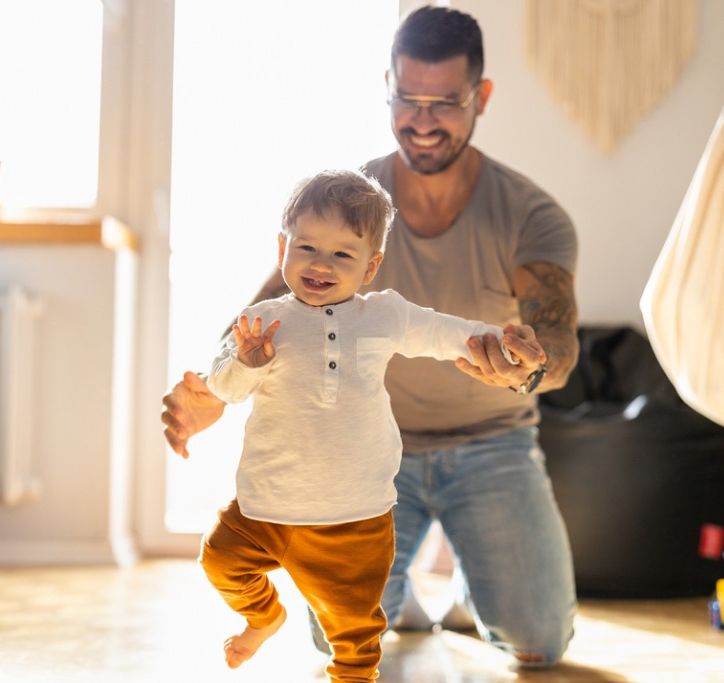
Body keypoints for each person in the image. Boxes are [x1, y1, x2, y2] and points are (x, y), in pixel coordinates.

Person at [163, 5, 580, 669]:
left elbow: (555, 343)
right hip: (361, 466)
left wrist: (526, 366)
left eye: (444, 102)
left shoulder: (530, 214)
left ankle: (476, 581)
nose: (421, 119)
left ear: (482, 97)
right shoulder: (347, 207)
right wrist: (213, 387)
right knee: (335, 637)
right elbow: (260, 317)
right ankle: (403, 594)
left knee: (538, 641)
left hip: (493, 446)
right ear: (386, 85)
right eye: (406, 99)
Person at [197, 168, 544, 683]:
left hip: (354, 517)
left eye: (342, 254)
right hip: (264, 506)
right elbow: (224, 389)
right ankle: (263, 616)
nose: (320, 264)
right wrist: (248, 361)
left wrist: (502, 342)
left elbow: (448, 333)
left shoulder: (383, 316)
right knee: (219, 562)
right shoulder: (264, 320)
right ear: (281, 249)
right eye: (307, 247)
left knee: (355, 638)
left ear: (371, 266)